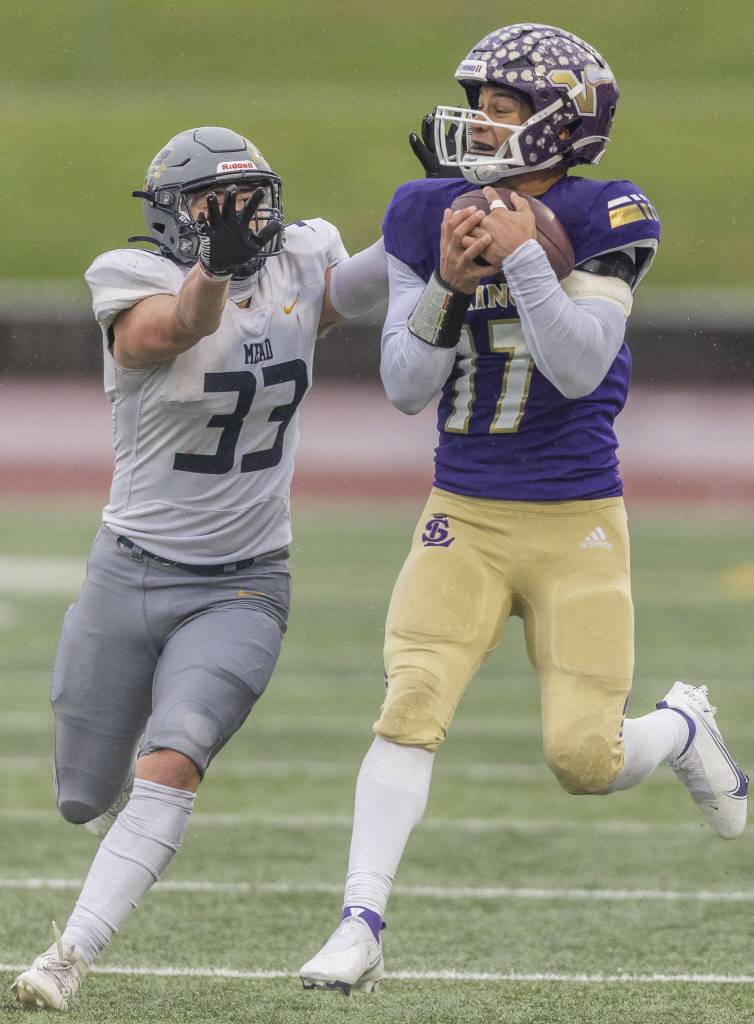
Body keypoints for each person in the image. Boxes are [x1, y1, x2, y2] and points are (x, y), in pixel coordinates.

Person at [299, 24, 749, 994]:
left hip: (575, 518)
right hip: (461, 509)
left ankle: (680, 726)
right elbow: (405, 387)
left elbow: (581, 365)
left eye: (502, 108)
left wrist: (526, 261)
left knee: (583, 758)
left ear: (558, 124)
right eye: (480, 105)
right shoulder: (429, 209)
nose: (479, 123)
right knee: (410, 700)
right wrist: (448, 287)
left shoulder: (605, 212)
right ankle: (359, 922)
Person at [13, 125, 387, 1012]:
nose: (239, 217)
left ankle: (68, 956)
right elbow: (180, 324)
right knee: (81, 798)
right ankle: (121, 811)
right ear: (172, 216)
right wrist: (214, 270)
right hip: (128, 571)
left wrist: (432, 214)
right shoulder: (128, 277)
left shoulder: (300, 261)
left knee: (175, 754)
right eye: (216, 205)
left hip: (244, 582)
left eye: (249, 199)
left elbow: (366, 287)